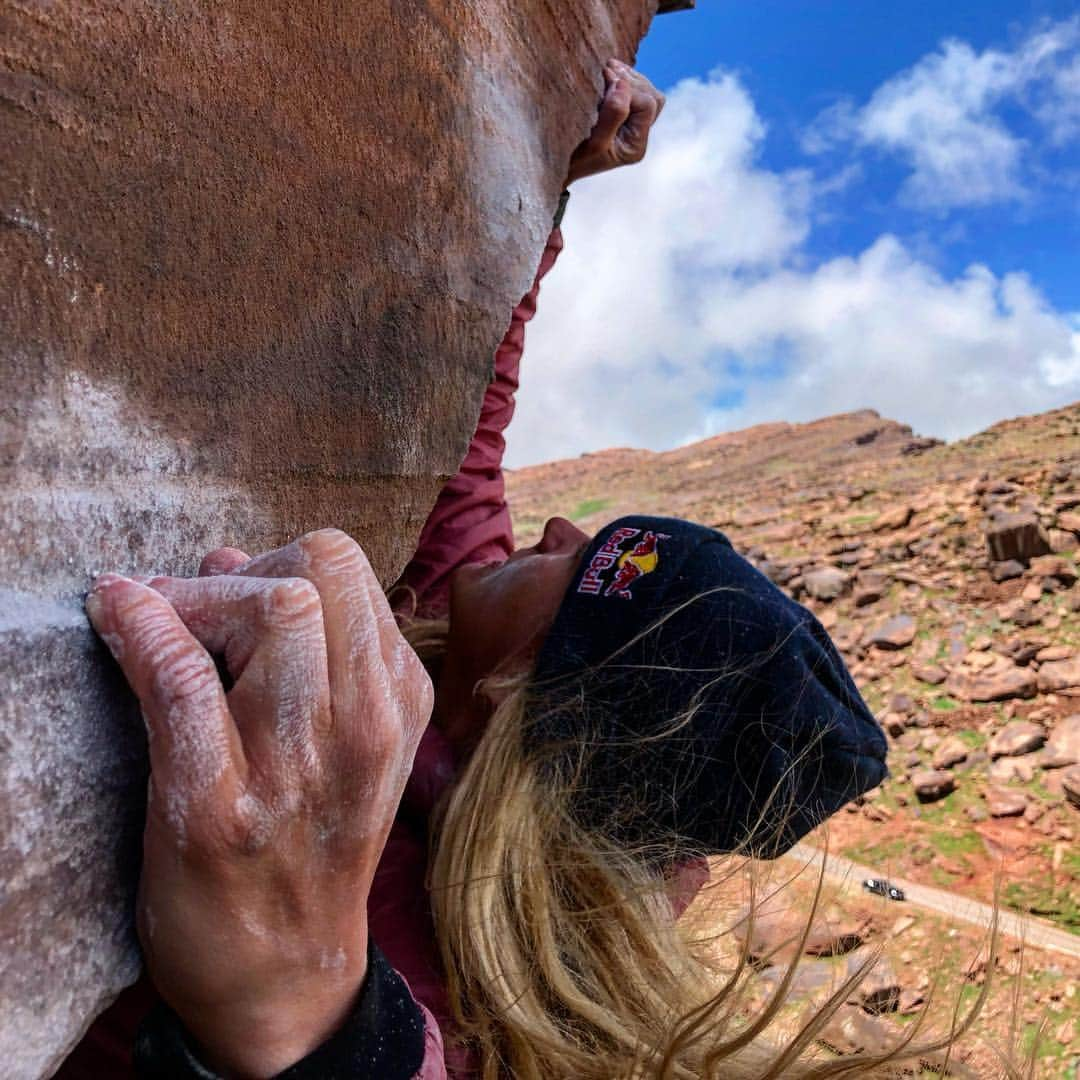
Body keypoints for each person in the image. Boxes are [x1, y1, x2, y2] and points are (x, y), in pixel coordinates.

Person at [75, 61, 955, 1080]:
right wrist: (550, 200)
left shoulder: (429, 980)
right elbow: (473, 445)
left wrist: (309, 1030)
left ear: (536, 702)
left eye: (593, 576)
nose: (553, 533)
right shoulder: (465, 667)